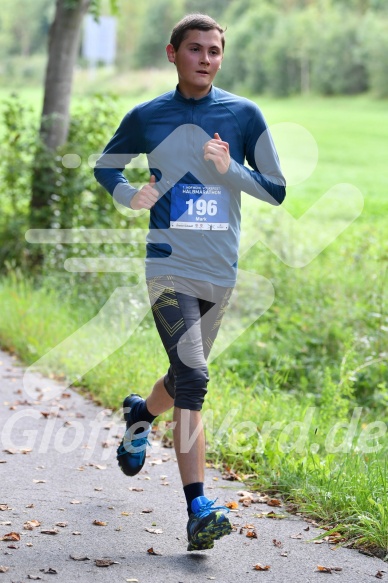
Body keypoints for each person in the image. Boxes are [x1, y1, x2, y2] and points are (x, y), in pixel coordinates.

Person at [94, 13, 286, 552]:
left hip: (219, 269)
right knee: (195, 375)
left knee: (183, 378)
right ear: (172, 53)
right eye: (196, 49)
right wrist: (129, 193)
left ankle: (140, 414)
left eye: (215, 51)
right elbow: (106, 166)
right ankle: (199, 506)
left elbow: (276, 190)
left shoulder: (244, 115)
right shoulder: (148, 115)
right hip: (167, 267)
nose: (206, 58)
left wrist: (230, 170)